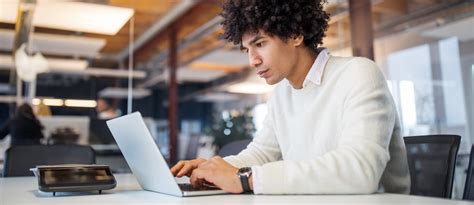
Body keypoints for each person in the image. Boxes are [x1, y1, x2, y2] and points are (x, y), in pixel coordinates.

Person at [171, 0, 410, 195]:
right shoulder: (282, 95)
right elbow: (262, 153)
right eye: (247, 50)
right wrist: (213, 168)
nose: (252, 60)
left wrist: (245, 179)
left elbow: (360, 171)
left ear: (295, 34)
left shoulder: (358, 74)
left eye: (261, 43)